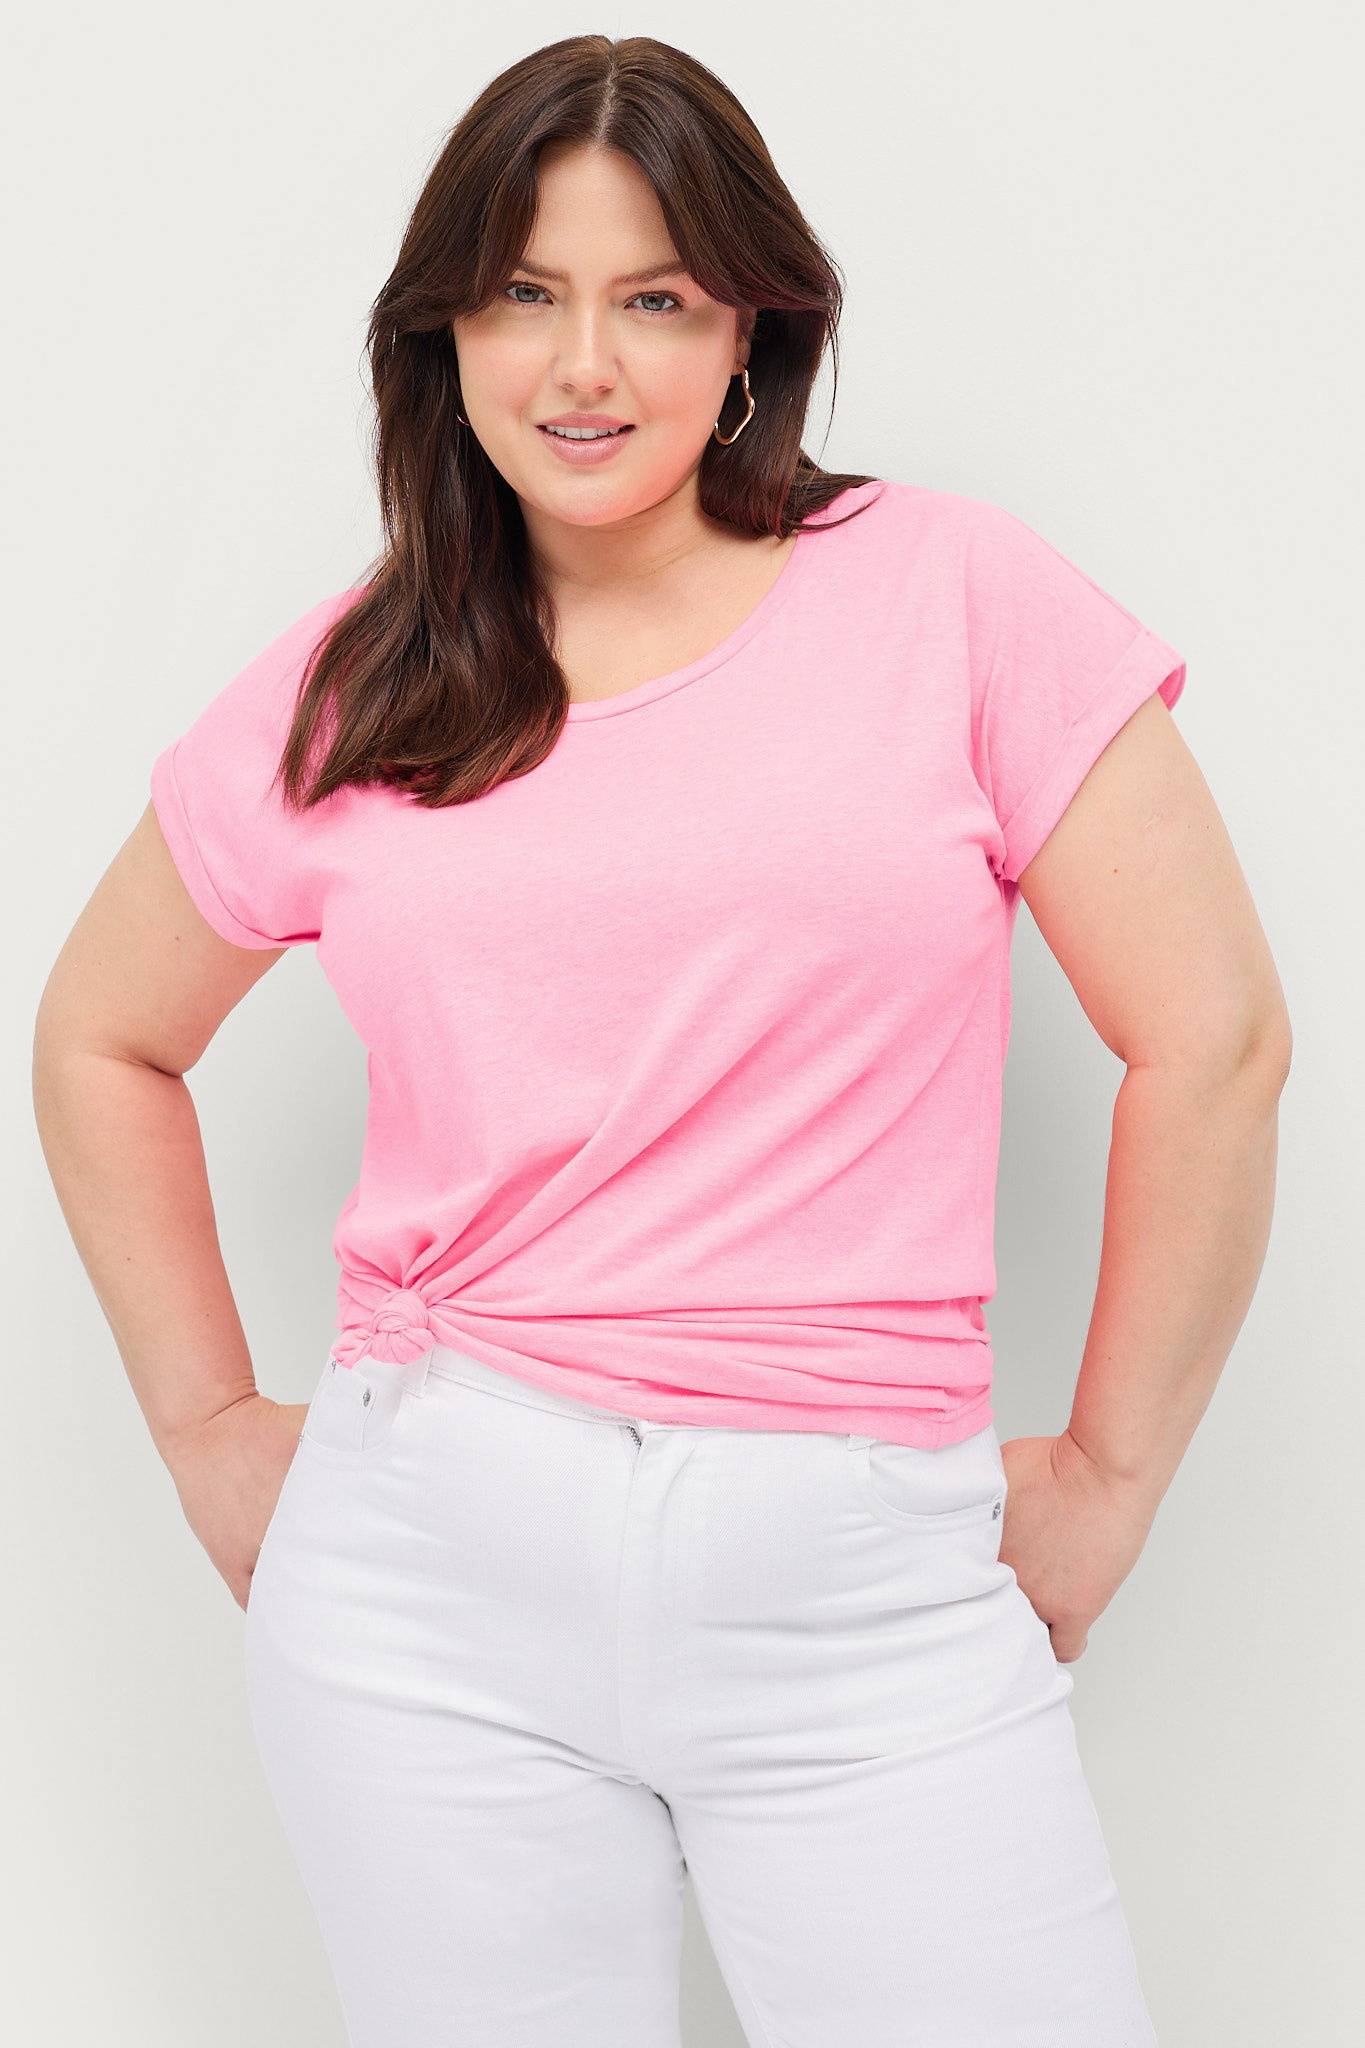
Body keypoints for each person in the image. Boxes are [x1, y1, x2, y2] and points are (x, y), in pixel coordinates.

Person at [32, 33, 1290, 2048]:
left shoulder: (949, 595)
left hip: (858, 1581)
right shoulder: (367, 681)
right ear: (442, 331)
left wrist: (1112, 1471)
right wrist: (201, 1431)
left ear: (752, 330)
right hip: (428, 1577)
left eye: (656, 299)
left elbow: (1210, 1035)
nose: (581, 366)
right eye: (523, 292)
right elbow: (101, 1035)